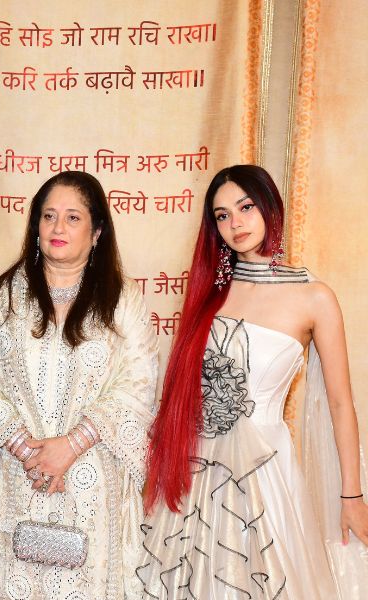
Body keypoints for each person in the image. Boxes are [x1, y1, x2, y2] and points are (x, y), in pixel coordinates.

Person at [140, 164, 368, 598]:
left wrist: (351, 497)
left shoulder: (314, 297)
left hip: (266, 472)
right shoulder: (208, 293)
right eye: (222, 215)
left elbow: (340, 404)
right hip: (195, 471)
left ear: (269, 208)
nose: (236, 223)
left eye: (245, 208)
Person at [0, 171, 158, 599]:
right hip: (20, 475)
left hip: (91, 478)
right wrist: (27, 450)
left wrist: (71, 445)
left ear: (97, 232)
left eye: (73, 217)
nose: (58, 227)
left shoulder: (121, 300)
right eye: (48, 216)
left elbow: (138, 384)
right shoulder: (6, 298)